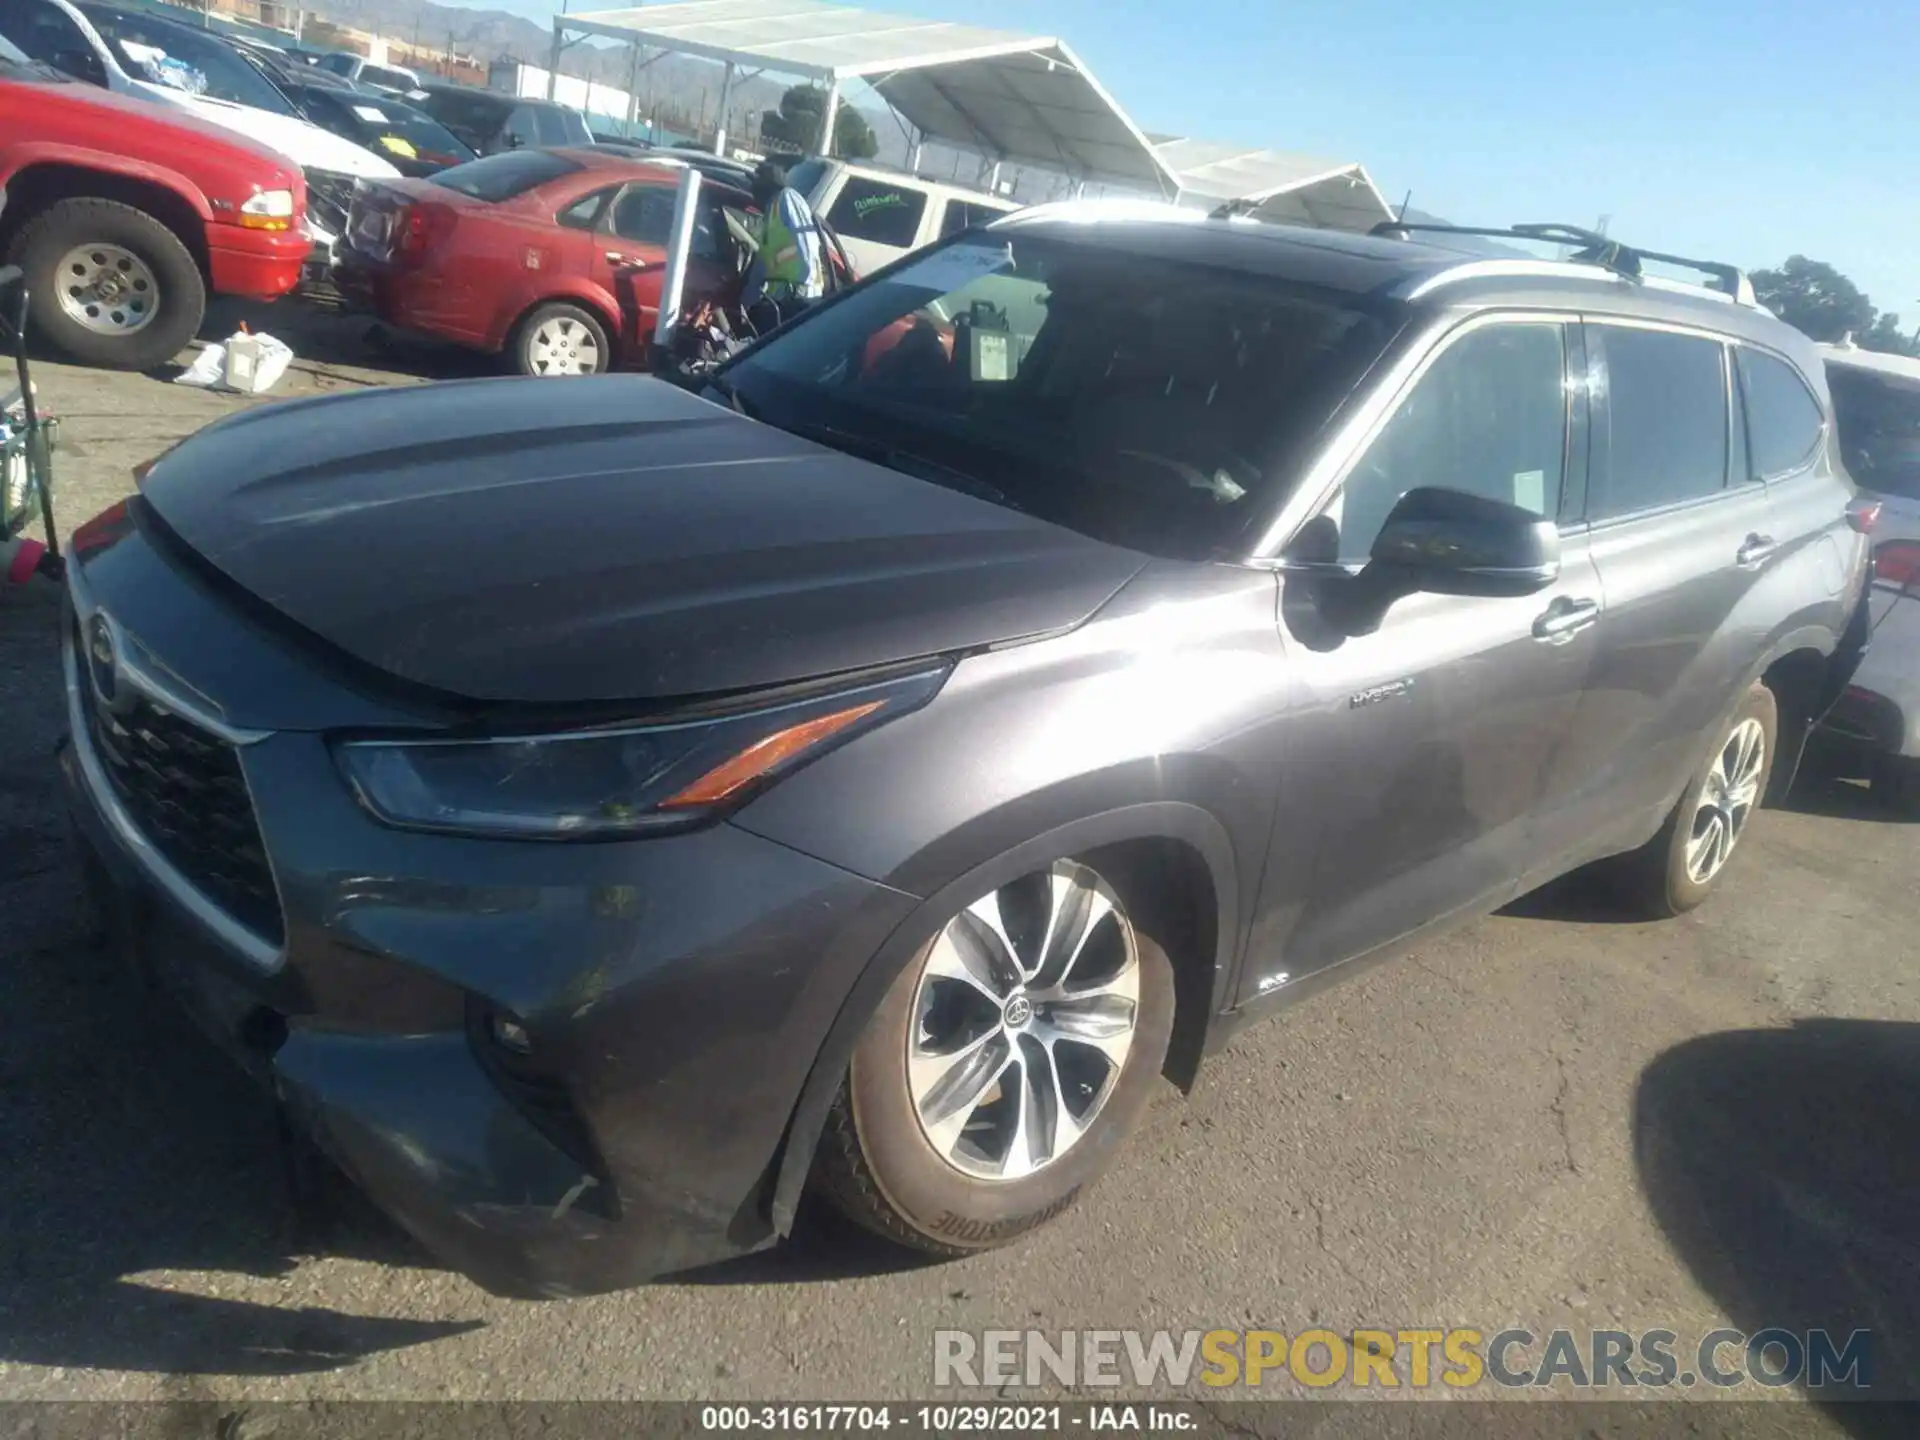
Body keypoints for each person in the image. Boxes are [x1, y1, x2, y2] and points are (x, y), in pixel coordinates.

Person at [742, 160, 825, 330]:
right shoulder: (771, 214)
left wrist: (802, 290)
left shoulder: (787, 198)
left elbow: (806, 244)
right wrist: (746, 302)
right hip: (780, 302)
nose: (752, 190)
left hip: (799, 300)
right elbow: (762, 263)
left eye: (756, 183)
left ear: (767, 185)